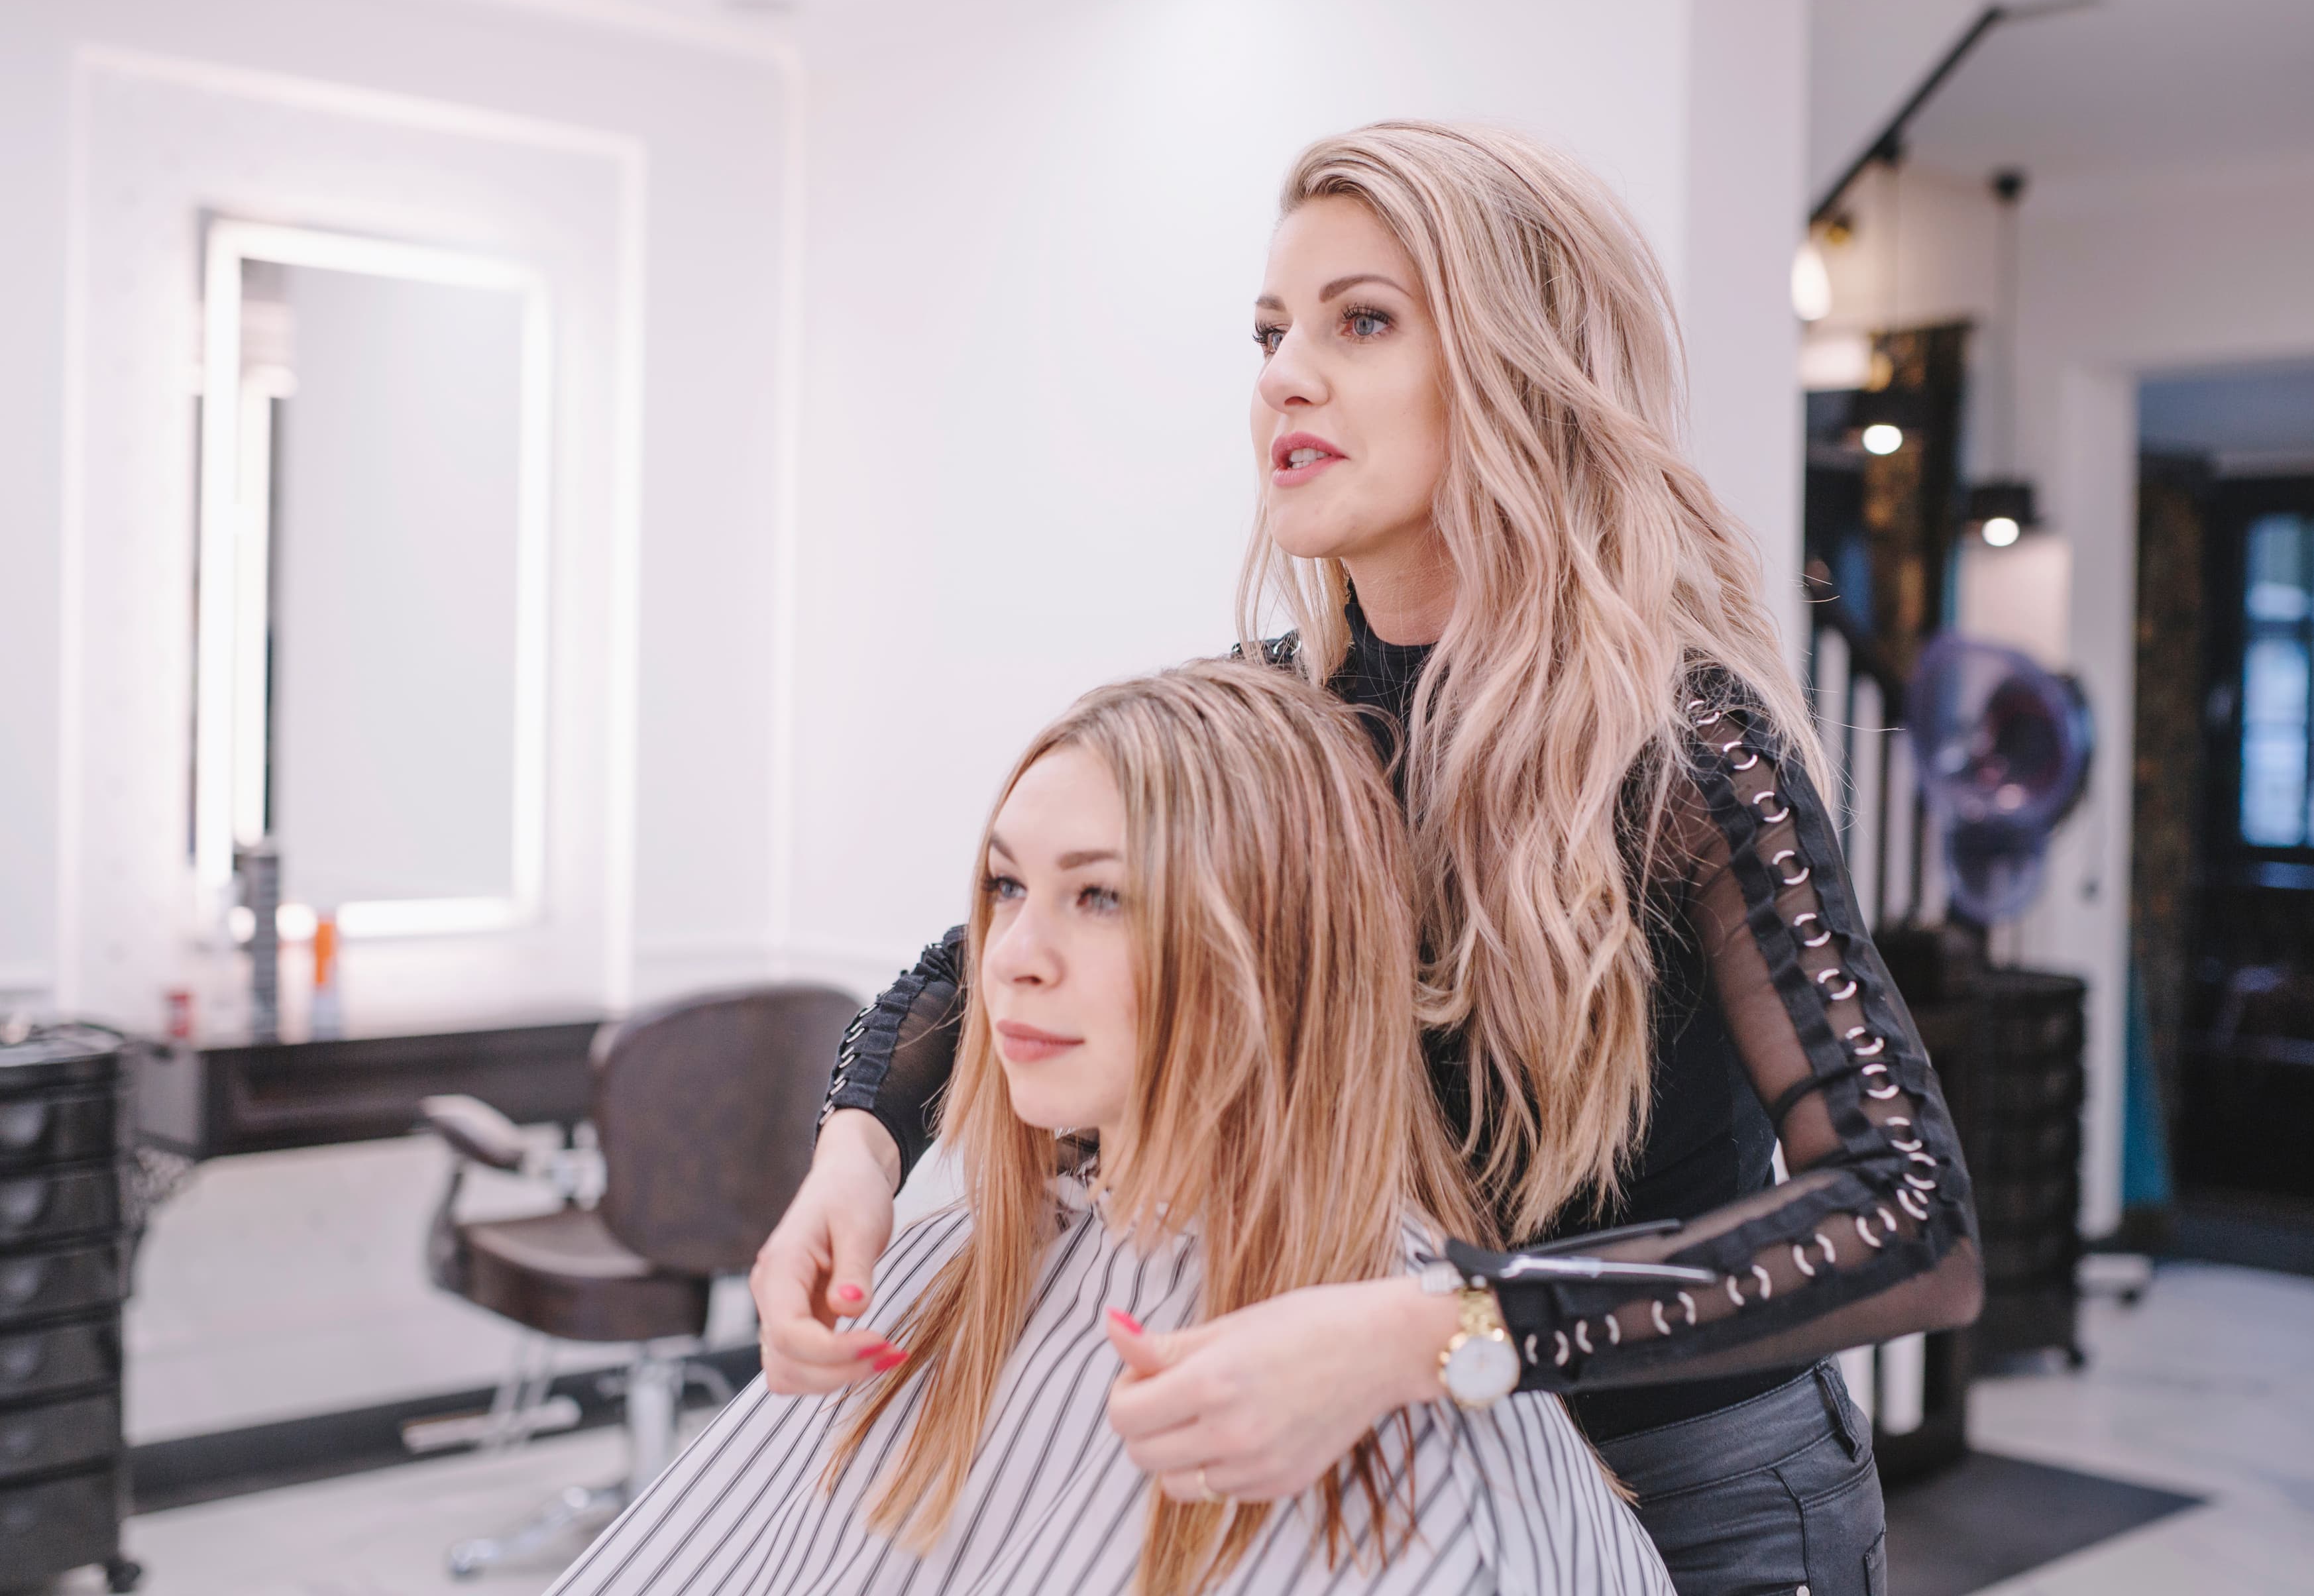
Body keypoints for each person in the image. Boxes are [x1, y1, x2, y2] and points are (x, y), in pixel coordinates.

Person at [759, 121, 1981, 1594]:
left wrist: (1430, 1328)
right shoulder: (1274, 726)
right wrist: (855, 1151)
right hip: (1406, 1470)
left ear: (1517, 363)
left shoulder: (1687, 754)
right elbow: (978, 969)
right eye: (1272, 330)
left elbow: (1909, 1222)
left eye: (1363, 321)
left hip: (1700, 1499)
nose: (1283, 372)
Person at [549, 665, 1670, 1595]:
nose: (1009, 958)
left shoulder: (1406, 1385)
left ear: (1266, 949)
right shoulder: (957, 1278)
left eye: (1100, 897)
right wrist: (854, 1146)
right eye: (1003, 887)